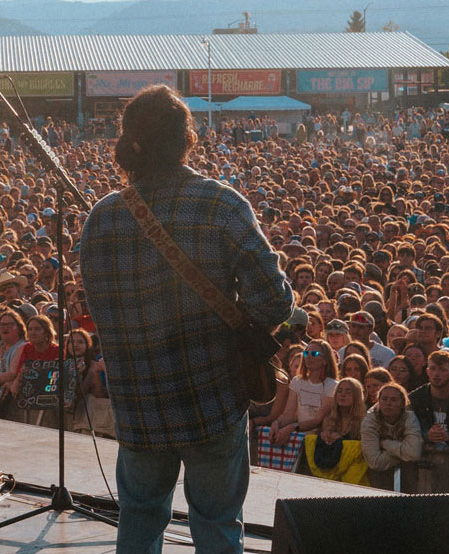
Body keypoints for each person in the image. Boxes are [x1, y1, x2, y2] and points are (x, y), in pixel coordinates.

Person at [81, 85, 293, 554]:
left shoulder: (101, 218)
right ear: (186, 139)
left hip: (137, 406)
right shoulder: (220, 204)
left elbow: (100, 311)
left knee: (137, 520)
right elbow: (275, 303)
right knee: (217, 524)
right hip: (210, 399)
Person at [305, 378, 369, 485]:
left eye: (348, 392)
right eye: (339, 391)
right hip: (330, 474)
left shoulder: (365, 421)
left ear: (357, 396)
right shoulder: (328, 420)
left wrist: (340, 440)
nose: (342, 395)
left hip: (354, 476)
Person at [361, 382, 424, 479]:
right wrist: (403, 455)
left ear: (402, 403)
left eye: (394, 400)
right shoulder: (370, 420)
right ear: (378, 401)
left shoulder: (409, 417)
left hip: (408, 475)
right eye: (384, 399)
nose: (388, 403)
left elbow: (414, 453)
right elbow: (375, 462)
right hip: (376, 477)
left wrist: (384, 443)